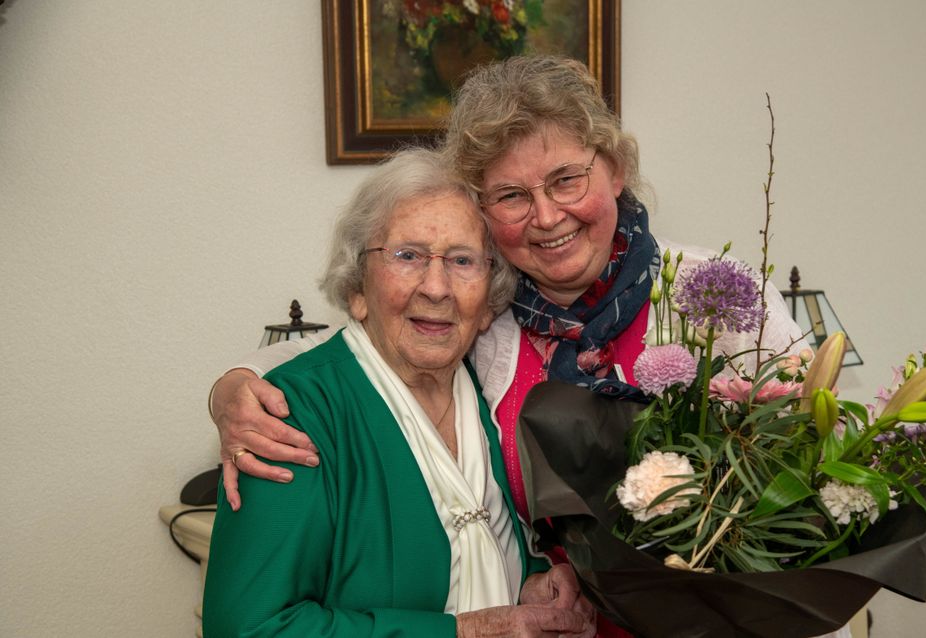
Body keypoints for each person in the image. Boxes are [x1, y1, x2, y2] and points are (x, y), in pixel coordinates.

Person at [210, 56, 848, 638]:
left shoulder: (714, 298)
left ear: (617, 170)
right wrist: (236, 389)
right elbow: (366, 337)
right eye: (512, 196)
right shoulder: (489, 320)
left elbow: (813, 491)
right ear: (487, 219)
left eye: (567, 179)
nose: (546, 217)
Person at [202, 148, 596, 637]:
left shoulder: (487, 388)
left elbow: (480, 556)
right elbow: (249, 628)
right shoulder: (287, 414)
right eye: (406, 256)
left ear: (490, 298)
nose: (436, 287)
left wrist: (534, 586)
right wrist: (466, 633)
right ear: (357, 290)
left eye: (462, 260)